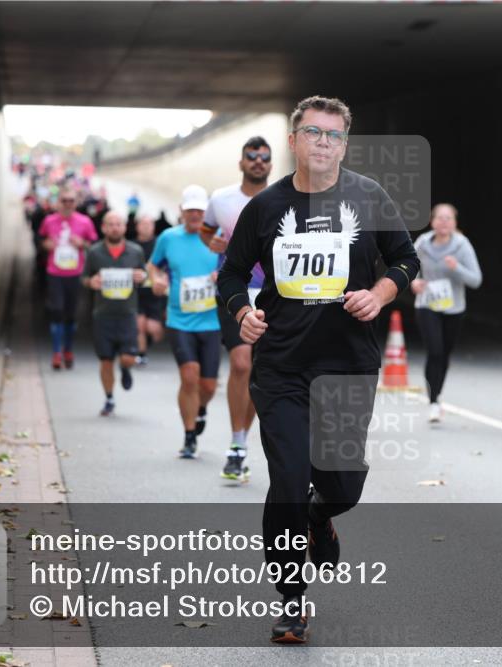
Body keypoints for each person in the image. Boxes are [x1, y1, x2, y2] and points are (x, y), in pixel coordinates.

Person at [217, 96, 420, 643]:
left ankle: (318, 514)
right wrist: (243, 312)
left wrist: (379, 294)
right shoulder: (265, 207)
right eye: (313, 132)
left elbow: (406, 259)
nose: (323, 142)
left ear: (344, 145)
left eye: (333, 135)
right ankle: (291, 600)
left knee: (343, 486)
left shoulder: (369, 196)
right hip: (281, 366)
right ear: (293, 141)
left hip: (348, 365)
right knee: (287, 480)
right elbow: (231, 274)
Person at [201, 136, 274, 481]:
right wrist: (212, 243)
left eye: (264, 157)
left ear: (271, 164)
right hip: (236, 290)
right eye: (252, 156)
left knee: (260, 372)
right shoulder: (221, 199)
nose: (258, 161)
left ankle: (242, 443)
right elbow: (205, 230)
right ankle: (235, 443)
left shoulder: (283, 198)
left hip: (274, 294)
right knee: (241, 363)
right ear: (241, 162)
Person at [149, 185, 221, 458]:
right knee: (189, 376)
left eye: (200, 211)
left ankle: (200, 408)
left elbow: (239, 265)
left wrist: (222, 274)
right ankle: (189, 436)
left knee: (208, 386)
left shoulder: (218, 238)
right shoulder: (168, 238)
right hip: (179, 320)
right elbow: (153, 265)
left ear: (207, 213)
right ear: (181, 211)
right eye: (190, 210)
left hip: (211, 321)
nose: (195, 215)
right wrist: (157, 279)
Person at [410, 203, 482, 423]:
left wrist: (456, 268)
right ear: (432, 221)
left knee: (444, 354)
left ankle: (437, 393)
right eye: (439, 218)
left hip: (453, 308)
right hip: (427, 304)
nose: (443, 222)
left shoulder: (462, 245)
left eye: (448, 218)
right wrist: (414, 282)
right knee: (435, 351)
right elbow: (409, 266)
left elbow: (476, 280)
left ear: (454, 223)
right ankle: (433, 402)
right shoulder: (423, 243)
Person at [83, 212, 147, 416]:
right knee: (106, 360)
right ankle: (109, 398)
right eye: (110, 224)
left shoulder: (135, 251)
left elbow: (144, 275)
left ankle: (126, 368)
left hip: (127, 313)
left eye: (118, 224)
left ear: (124, 227)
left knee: (128, 358)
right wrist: (90, 282)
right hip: (103, 315)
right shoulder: (94, 252)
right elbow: (84, 277)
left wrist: (142, 276)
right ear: (103, 227)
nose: (115, 228)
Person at [39, 189, 98, 369]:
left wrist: (82, 244)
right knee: (57, 311)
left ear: (76, 202)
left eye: (71, 200)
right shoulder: (49, 221)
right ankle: (56, 352)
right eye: (64, 200)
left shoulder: (85, 221)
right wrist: (46, 245)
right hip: (55, 272)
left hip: (75, 273)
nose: (67, 204)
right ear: (59, 202)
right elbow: (41, 240)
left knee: (71, 314)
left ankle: (68, 349)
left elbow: (94, 246)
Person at [133, 214, 167, 367]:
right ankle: (141, 355)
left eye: (149, 224)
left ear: (153, 227)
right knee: (139, 325)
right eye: (143, 224)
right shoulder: (132, 246)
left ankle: (146, 343)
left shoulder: (160, 244)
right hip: (137, 292)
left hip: (156, 293)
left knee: (153, 329)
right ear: (137, 226)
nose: (146, 227)